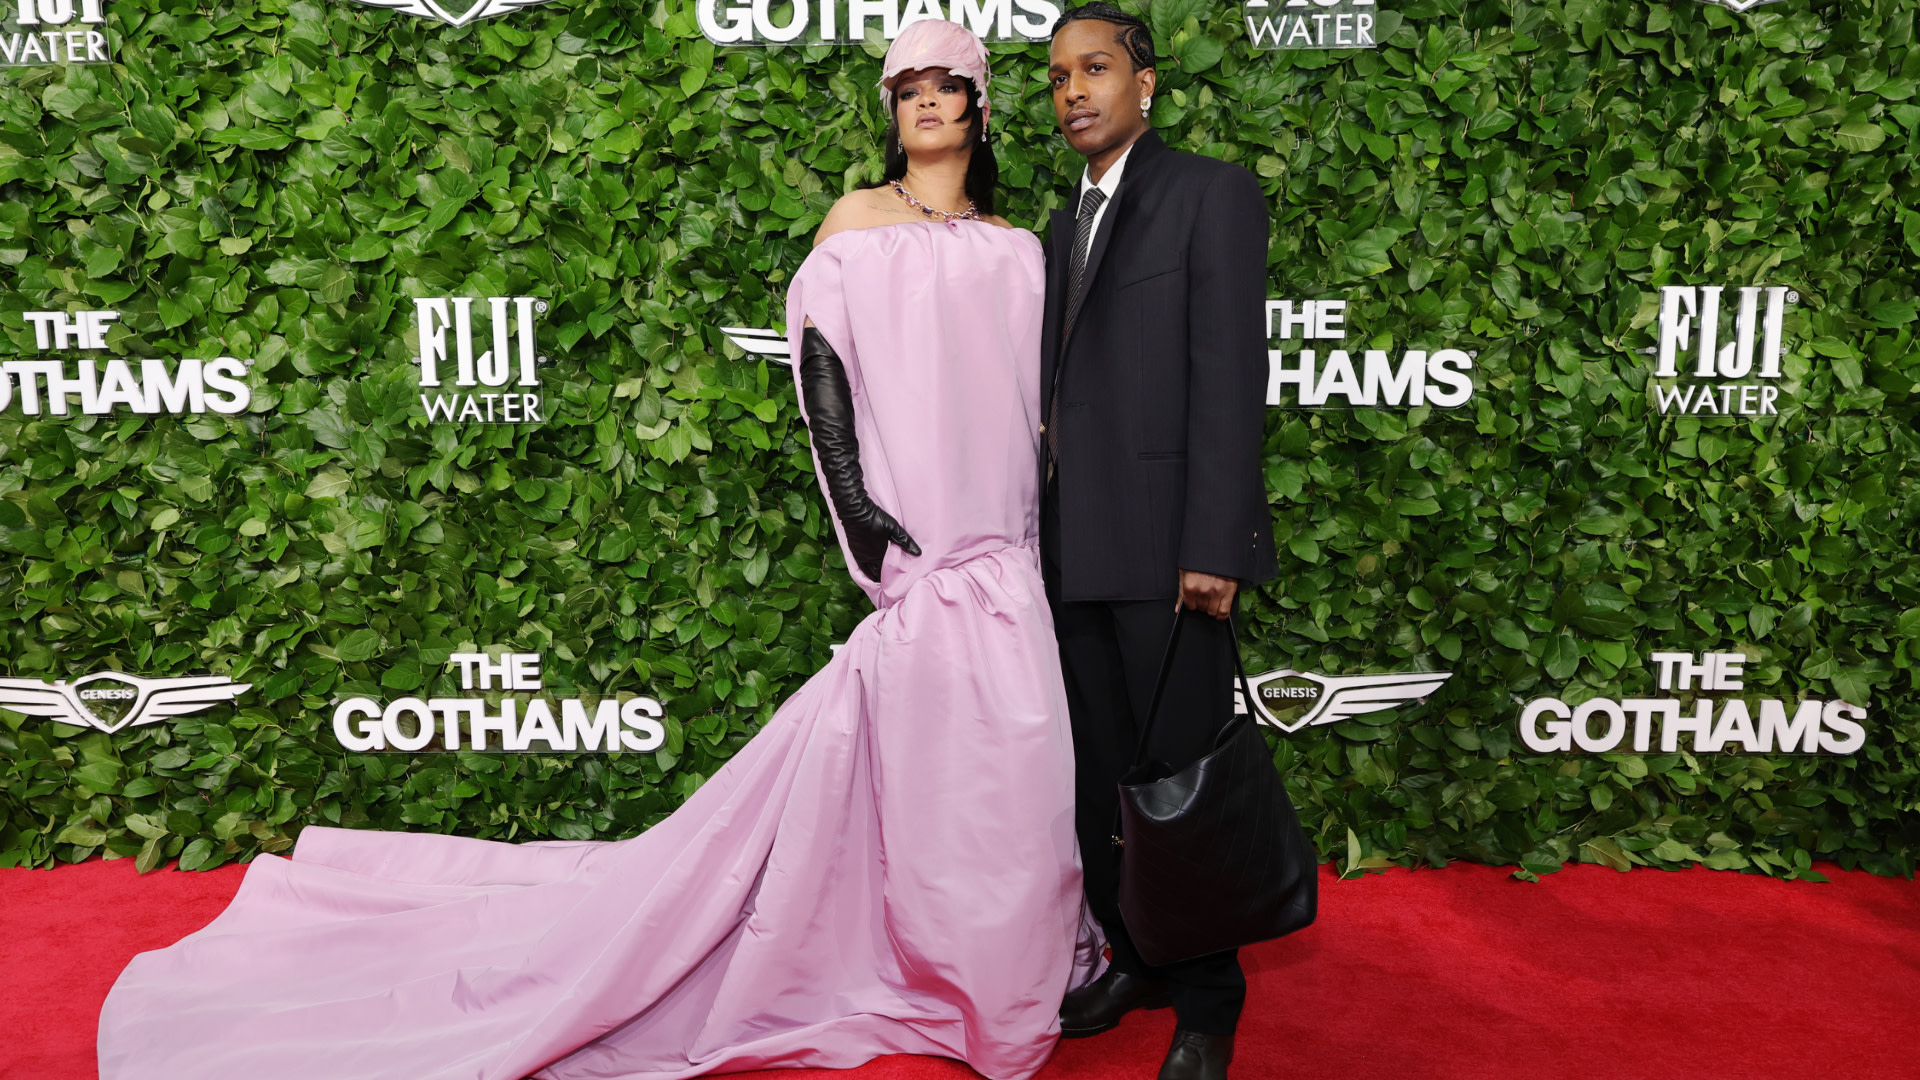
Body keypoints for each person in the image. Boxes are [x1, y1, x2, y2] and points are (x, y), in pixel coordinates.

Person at [96, 19, 1095, 1080]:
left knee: (1012, 769)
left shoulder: (1023, 247)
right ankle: (942, 966)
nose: (928, 104)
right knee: (944, 765)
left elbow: (1035, 404)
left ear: (982, 108)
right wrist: (853, 500)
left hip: (1008, 552)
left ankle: (1007, 964)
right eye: (909, 90)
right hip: (920, 551)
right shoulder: (853, 221)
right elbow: (823, 365)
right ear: (891, 112)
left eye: (948, 87)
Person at [1037, 5, 1278, 1080]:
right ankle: (1131, 954)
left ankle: (1209, 999)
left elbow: (1229, 378)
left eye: (1095, 69)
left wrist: (1215, 543)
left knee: (1181, 784)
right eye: (1056, 77)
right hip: (1070, 550)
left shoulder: (1209, 194)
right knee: (1100, 780)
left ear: (1148, 86)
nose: (1075, 91)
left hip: (1172, 554)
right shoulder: (1057, 225)